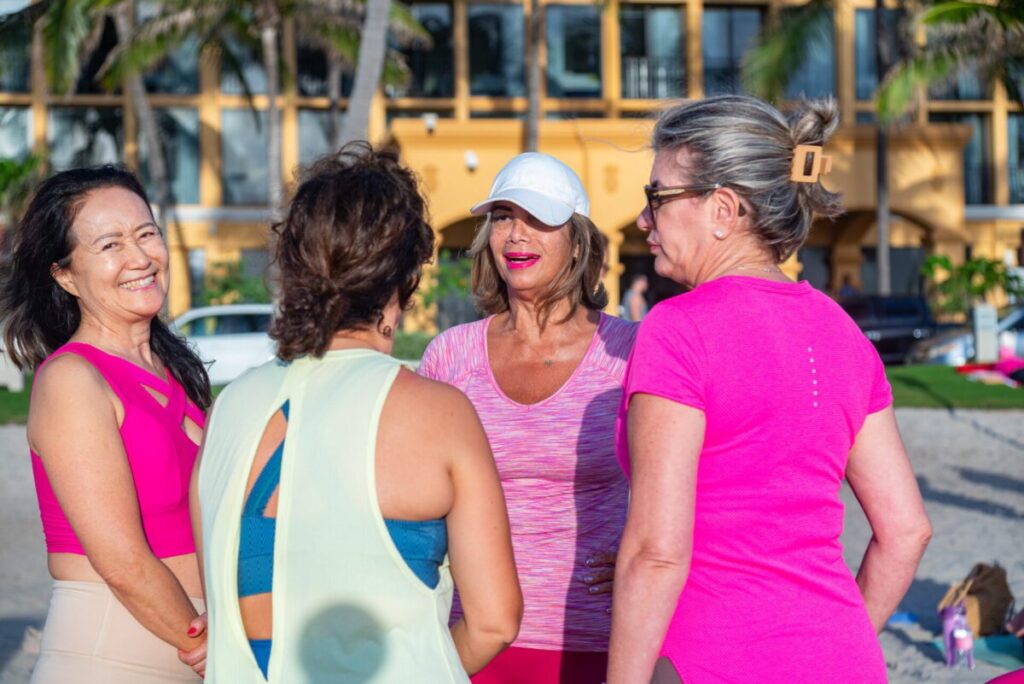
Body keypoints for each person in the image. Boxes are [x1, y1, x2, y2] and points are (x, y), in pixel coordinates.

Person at [607, 95, 933, 683]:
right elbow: (906, 531)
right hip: (842, 661)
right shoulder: (842, 332)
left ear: (723, 210)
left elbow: (656, 552)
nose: (642, 220)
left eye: (657, 197)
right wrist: (833, 642)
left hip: (712, 660)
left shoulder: (679, 331)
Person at [195, 144, 521, 683]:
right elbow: (495, 622)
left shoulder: (230, 406)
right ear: (403, 277)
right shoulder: (437, 414)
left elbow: (228, 589)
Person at [419, 152, 638, 683]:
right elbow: (415, 499)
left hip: (596, 639)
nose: (516, 234)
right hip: (472, 642)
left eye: (538, 218)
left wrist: (643, 557)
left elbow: (697, 483)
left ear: (579, 242)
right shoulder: (451, 355)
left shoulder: (630, 351)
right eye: (502, 218)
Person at [0, 166, 211, 682]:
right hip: (112, 656)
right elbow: (120, 560)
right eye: (110, 245)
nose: (140, 257)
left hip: (188, 654)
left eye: (146, 234)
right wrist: (209, 645)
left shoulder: (176, 374)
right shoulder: (72, 379)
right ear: (65, 275)